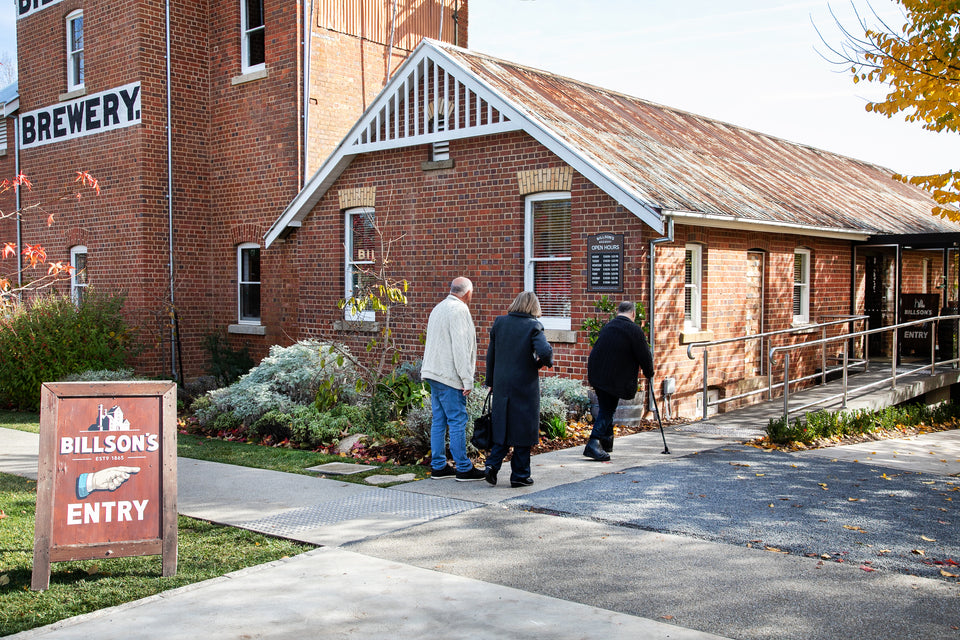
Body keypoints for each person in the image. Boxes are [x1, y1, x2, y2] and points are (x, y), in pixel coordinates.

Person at [484, 291, 553, 488]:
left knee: (503, 426)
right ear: (533, 307)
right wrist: (541, 363)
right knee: (523, 429)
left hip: (502, 384)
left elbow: (491, 355)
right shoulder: (533, 326)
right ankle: (520, 475)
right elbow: (545, 351)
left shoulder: (500, 322)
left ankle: (491, 466)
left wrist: (491, 381)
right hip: (524, 385)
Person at [421, 277, 486, 481]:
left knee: (439, 421)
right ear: (467, 293)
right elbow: (460, 348)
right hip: (449, 375)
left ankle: (439, 466)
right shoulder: (459, 310)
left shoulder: (438, 308)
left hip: (433, 373)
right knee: (458, 420)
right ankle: (464, 468)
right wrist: (467, 379)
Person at [584, 300, 654, 461]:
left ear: (618, 312)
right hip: (613, 377)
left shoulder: (608, 327)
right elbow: (645, 356)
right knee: (607, 409)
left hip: (597, 373)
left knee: (605, 406)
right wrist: (649, 373)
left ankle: (607, 441)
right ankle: (593, 443)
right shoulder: (634, 330)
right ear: (633, 314)